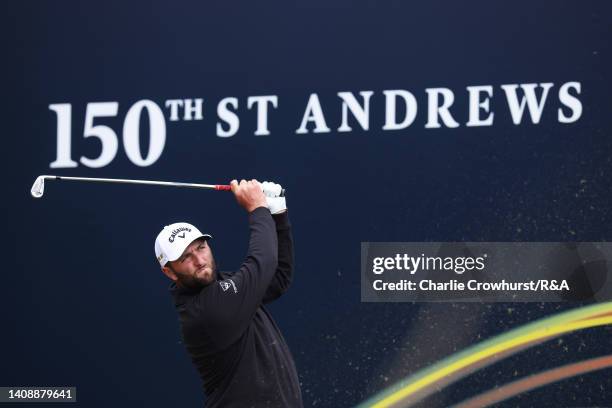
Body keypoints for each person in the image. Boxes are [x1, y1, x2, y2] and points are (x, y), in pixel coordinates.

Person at [154, 179, 303, 407]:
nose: (199, 260)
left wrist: (278, 213)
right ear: (169, 272)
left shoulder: (223, 286)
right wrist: (257, 208)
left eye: (201, 247)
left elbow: (277, 277)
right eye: (185, 257)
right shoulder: (206, 310)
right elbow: (263, 260)